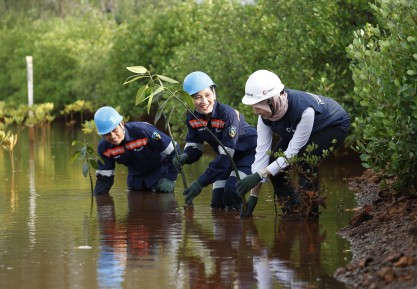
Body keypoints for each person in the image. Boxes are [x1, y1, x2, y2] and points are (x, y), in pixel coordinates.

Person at [237, 70, 350, 217]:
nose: (255, 111)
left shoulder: (304, 110)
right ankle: (292, 210)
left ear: (272, 100)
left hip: (333, 125)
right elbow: (261, 156)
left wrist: (261, 174)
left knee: (305, 159)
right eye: (253, 107)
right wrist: (253, 196)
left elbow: (292, 154)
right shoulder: (264, 117)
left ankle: (310, 213)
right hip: (301, 129)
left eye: (257, 106)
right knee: (273, 163)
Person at [173, 71, 257, 211]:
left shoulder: (227, 115)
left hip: (249, 154)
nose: (204, 102)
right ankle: (225, 230)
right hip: (227, 158)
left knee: (232, 191)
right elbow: (195, 146)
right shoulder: (192, 118)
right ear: (189, 100)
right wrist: (185, 156)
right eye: (197, 97)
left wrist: (200, 183)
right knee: (217, 201)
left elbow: (226, 157)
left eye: (207, 95)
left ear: (214, 93)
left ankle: (243, 226)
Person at [93, 106, 178, 195]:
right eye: (107, 134)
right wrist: (98, 200)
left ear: (122, 124)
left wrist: (170, 178)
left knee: (166, 206)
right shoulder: (104, 148)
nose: (112, 136)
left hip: (160, 174)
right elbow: (105, 177)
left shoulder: (143, 130)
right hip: (135, 180)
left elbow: (174, 150)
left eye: (114, 130)